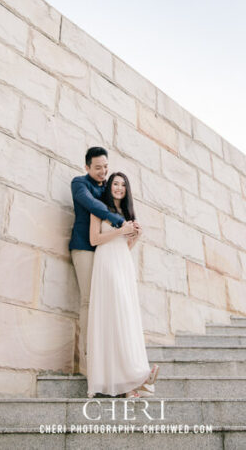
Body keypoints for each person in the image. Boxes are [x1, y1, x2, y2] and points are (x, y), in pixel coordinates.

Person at [86, 172, 159, 398]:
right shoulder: (99, 208)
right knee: (115, 316)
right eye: (115, 184)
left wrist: (135, 235)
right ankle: (136, 377)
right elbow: (94, 240)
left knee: (126, 319)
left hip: (123, 264)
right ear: (109, 187)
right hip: (106, 264)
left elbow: (124, 246)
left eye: (123, 185)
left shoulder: (127, 213)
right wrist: (120, 230)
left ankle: (129, 385)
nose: (119, 188)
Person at [70, 147, 135, 376]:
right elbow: (93, 206)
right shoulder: (79, 183)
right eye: (98, 168)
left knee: (107, 305)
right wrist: (118, 222)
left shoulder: (108, 187)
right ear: (87, 167)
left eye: (105, 167)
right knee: (89, 302)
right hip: (85, 248)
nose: (103, 171)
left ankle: (110, 361)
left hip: (106, 253)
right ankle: (86, 365)